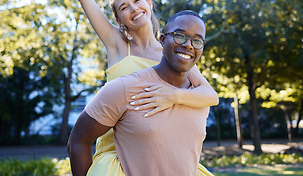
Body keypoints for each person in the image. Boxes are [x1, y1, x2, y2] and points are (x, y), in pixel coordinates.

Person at [43, 0, 218, 176]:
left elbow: (210, 95)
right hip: (118, 151)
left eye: (137, 1)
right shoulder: (117, 45)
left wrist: (172, 96)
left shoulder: (170, 52)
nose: (133, 8)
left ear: (149, 3)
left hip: (159, 150)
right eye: (124, 7)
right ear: (119, 20)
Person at [68, 11, 212, 176]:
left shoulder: (200, 98)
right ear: (163, 40)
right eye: (180, 35)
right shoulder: (125, 88)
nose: (188, 44)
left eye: (197, 40)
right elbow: (78, 139)